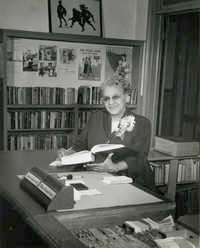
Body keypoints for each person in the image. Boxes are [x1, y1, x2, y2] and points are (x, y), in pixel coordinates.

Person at [57, 75, 155, 190]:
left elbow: (141, 157)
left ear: (127, 97)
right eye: (106, 98)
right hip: (97, 177)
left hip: (129, 180)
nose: (111, 102)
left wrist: (115, 167)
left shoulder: (142, 123)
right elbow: (80, 144)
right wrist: (68, 153)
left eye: (116, 97)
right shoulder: (96, 117)